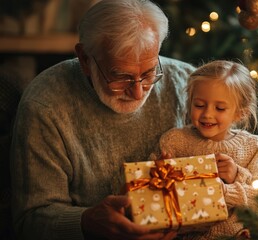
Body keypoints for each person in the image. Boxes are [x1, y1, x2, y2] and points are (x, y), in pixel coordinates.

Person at [9, 0, 196, 239]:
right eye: (120, 76)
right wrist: (86, 221)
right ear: (85, 59)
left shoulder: (188, 83)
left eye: (148, 73)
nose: (138, 92)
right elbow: (30, 220)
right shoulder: (45, 104)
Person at [158, 60, 258, 239]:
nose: (207, 114)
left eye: (219, 108)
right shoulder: (174, 140)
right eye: (199, 105)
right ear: (190, 102)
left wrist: (235, 177)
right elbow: (147, 194)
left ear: (240, 112)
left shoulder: (255, 147)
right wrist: (160, 174)